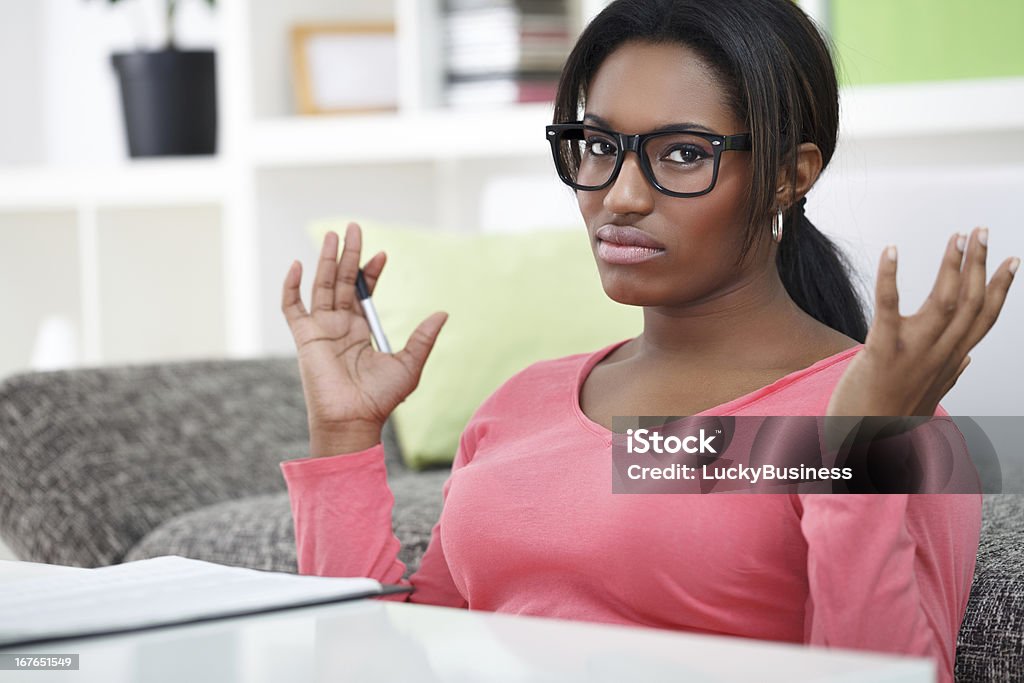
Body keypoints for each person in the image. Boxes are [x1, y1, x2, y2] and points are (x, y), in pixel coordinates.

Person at [277, 1, 1019, 681]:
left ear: (792, 175)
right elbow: (382, 663)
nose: (621, 195)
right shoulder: (523, 401)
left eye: (684, 154)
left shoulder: (882, 410)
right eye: (597, 144)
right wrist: (344, 437)